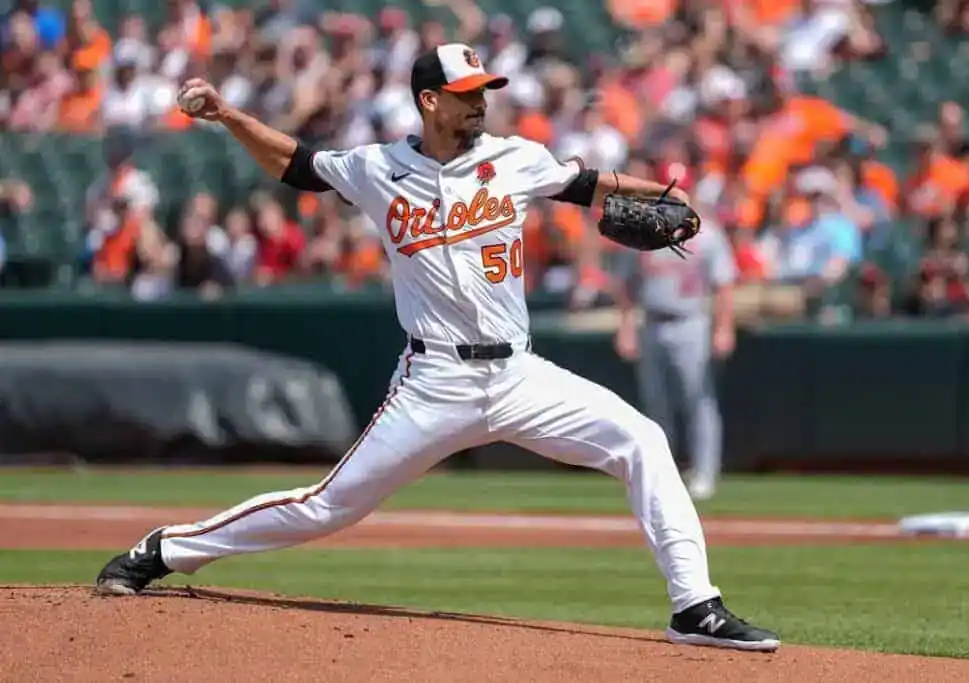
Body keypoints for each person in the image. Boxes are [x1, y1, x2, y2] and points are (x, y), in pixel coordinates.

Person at [94, 43, 779, 652]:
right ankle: (165, 549)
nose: (480, 102)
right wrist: (227, 115)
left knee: (643, 439)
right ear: (430, 101)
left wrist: (666, 197)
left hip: (519, 374)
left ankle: (695, 606)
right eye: (466, 93)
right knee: (329, 505)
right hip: (433, 381)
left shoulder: (516, 159)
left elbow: (586, 184)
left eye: (483, 91)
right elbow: (297, 164)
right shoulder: (378, 166)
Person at [613, 214, 737, 501]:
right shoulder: (642, 230)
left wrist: (724, 327)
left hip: (691, 321)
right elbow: (626, 285)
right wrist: (626, 327)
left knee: (698, 400)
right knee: (656, 405)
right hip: (651, 322)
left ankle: (705, 473)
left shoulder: (707, 234)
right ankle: (661, 473)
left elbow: (725, 283)